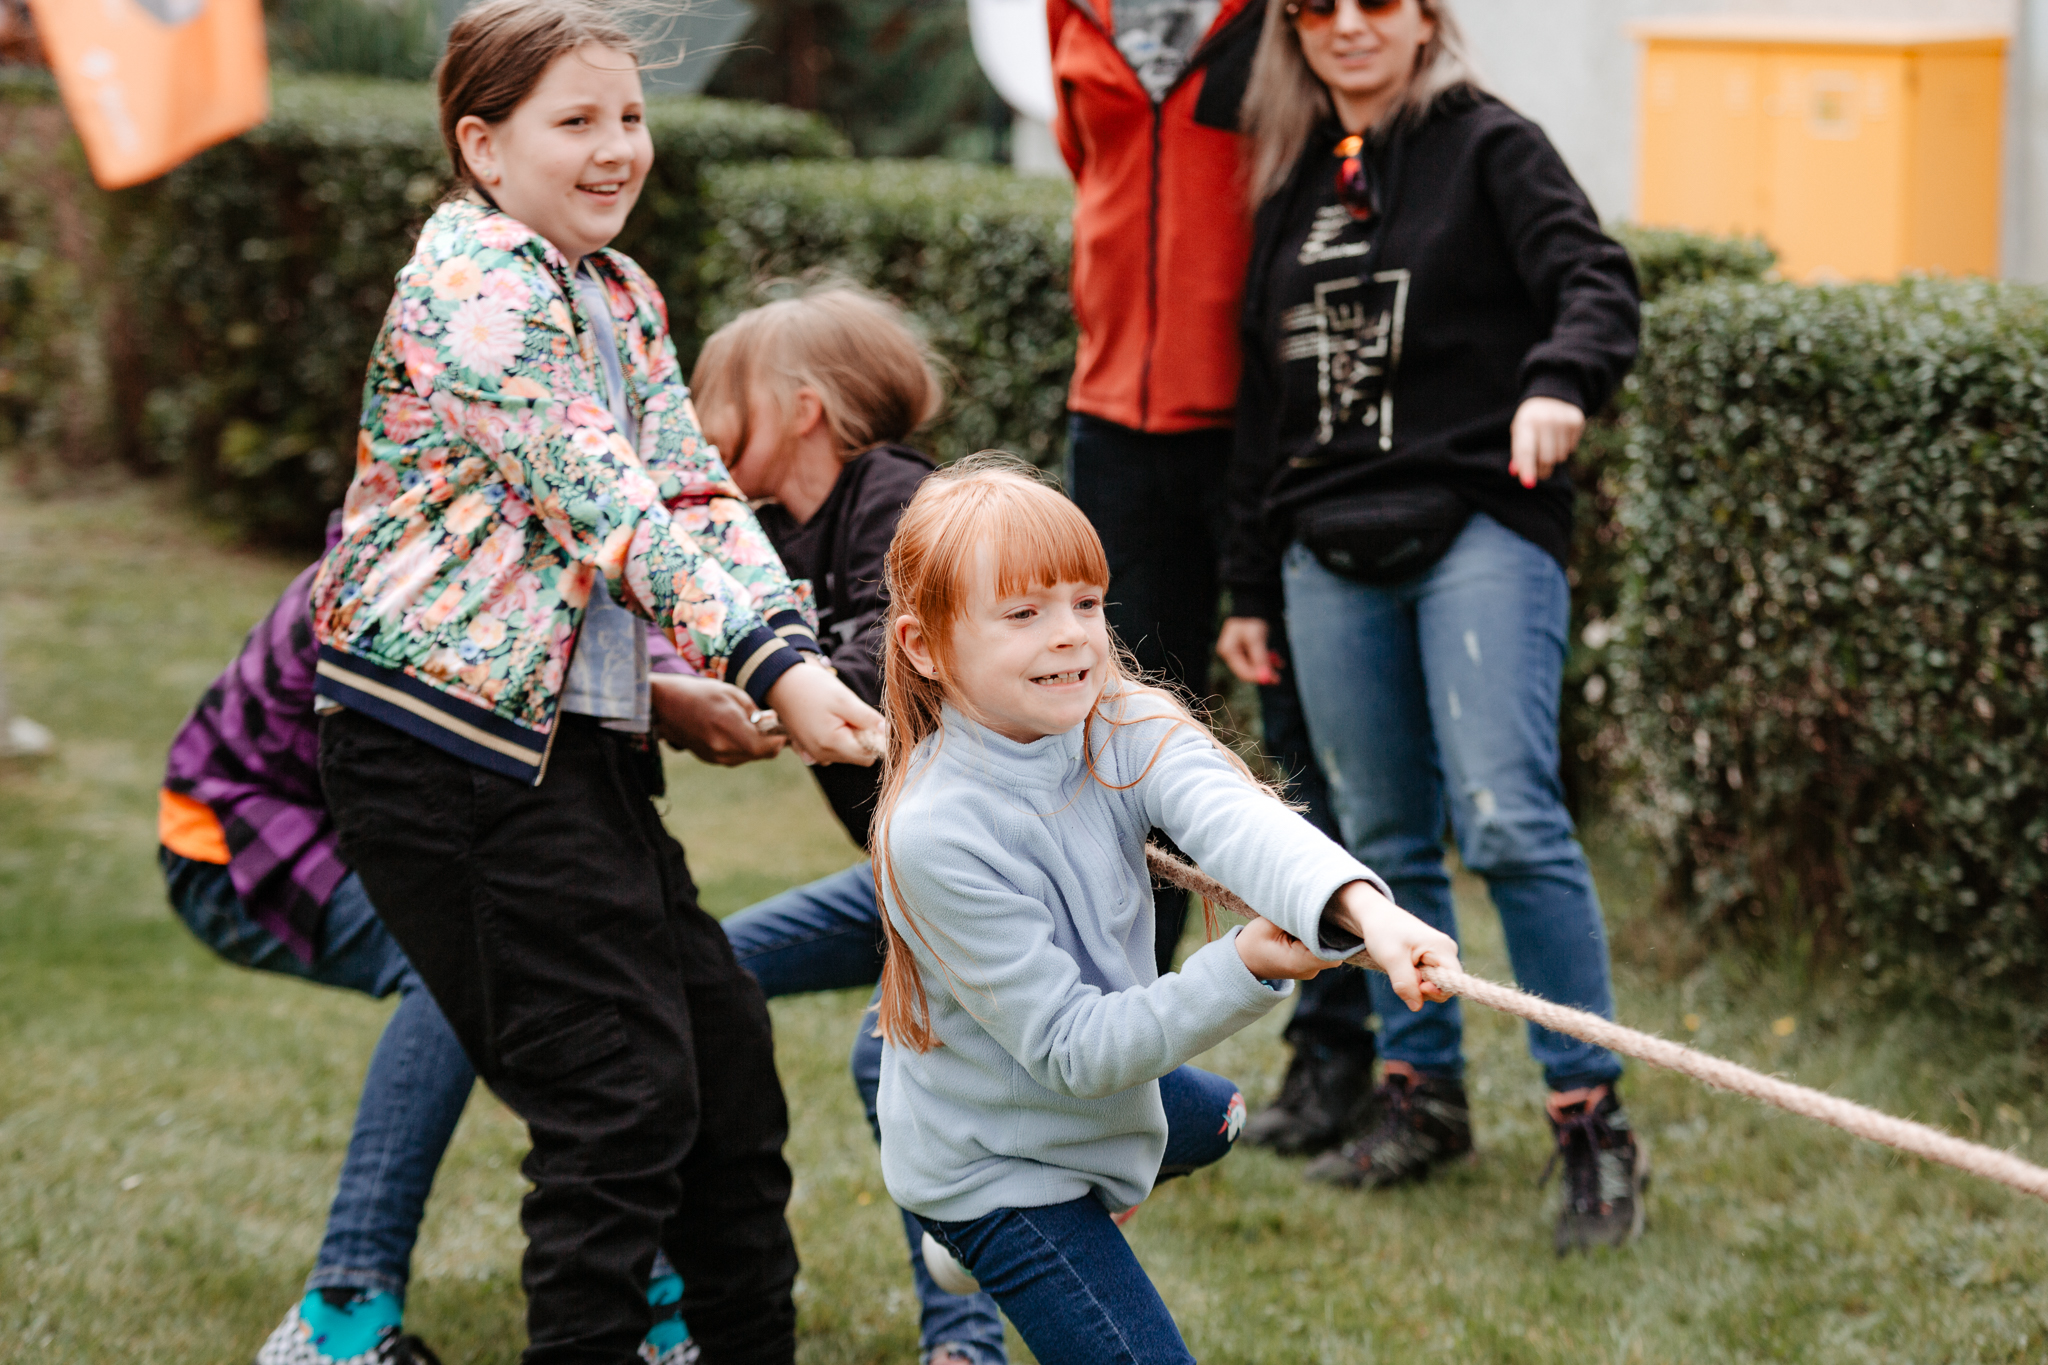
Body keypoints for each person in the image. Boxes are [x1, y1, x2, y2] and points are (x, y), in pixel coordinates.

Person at [311, 5, 884, 1362]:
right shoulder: (477, 287)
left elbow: (691, 489)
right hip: (441, 756)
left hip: (563, 746)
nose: (618, 147)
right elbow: (609, 506)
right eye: (576, 121)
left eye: (629, 115)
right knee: (616, 1096)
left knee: (724, 1069)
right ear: (483, 146)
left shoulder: (612, 290)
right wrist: (772, 668)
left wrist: (776, 655)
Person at [1216, 0, 1647, 1251]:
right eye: (1317, 6)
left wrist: (1557, 382)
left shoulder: (1490, 145)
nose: (1347, 24)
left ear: (1423, 19)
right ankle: (1420, 1096)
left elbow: (1594, 281)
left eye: (1376, 1)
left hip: (1477, 523)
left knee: (1507, 816)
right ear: (1292, 29)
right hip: (1321, 549)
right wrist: (1248, 585)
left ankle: (1588, 1123)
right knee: (1376, 838)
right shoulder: (1291, 184)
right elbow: (1263, 405)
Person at [869, 457, 1460, 1363]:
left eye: (1085, 602)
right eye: (1024, 613)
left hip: (1084, 1097)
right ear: (925, 645)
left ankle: (1070, 1191)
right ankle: (965, 1243)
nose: (1070, 636)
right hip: (997, 1163)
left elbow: (1237, 818)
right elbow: (1075, 1050)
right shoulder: (935, 831)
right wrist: (1244, 968)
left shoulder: (1113, 719)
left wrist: (1362, 909)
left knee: (1222, 1118)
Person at [160, 520, 780, 1365]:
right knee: (466, 959)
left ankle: (654, 1290)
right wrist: (666, 696)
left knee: (609, 999)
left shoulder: (565, 552)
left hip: (383, 821)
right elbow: (499, 677)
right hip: (236, 832)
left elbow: (625, 639)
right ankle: (340, 1314)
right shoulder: (421, 560)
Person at [1048, 0, 1380, 1144]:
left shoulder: (1279, 22)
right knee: (1109, 746)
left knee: (1296, 744)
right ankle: (1124, 1049)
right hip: (1111, 422)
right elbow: (1090, 163)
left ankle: (1336, 1054)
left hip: (1254, 427)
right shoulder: (1069, 15)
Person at [685, 287, 1007, 1365]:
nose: (697, 424)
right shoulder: (766, 535)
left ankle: (961, 1338)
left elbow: (883, 647)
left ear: (803, 410)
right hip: (902, 879)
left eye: (718, 400)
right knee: (707, 974)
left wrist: (775, 695)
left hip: (989, 869)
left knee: (890, 1057)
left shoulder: (900, 500)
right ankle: (671, 1289)